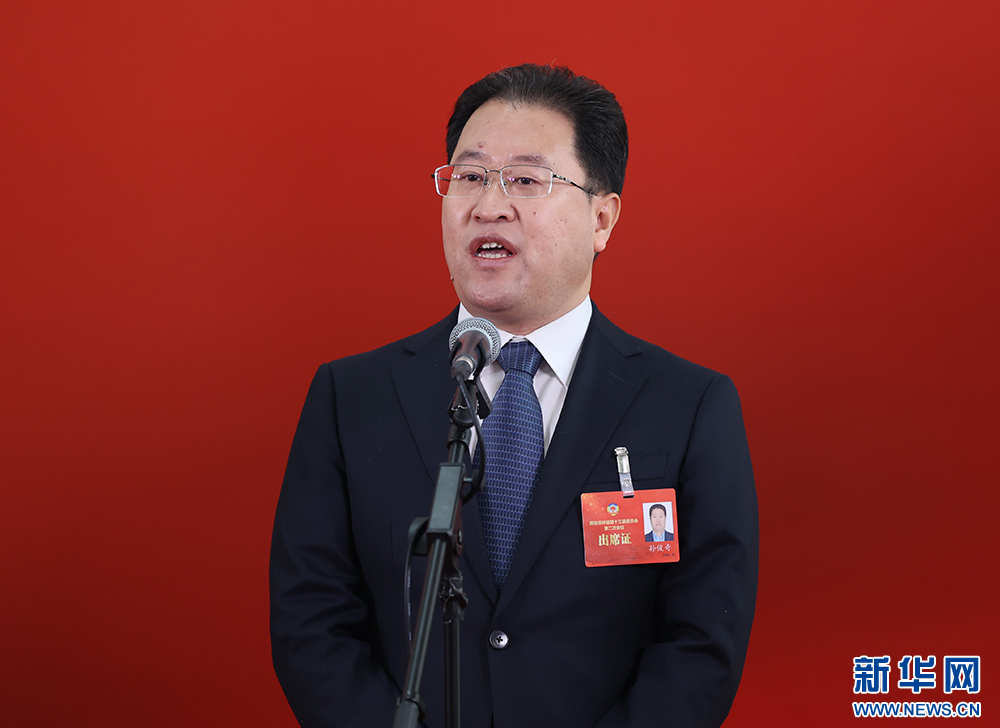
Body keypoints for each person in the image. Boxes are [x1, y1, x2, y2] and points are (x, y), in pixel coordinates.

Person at [270, 64, 758, 728]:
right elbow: (311, 623)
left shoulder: (689, 406)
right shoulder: (351, 398)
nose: (488, 205)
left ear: (602, 218)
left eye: (526, 180)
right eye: (469, 176)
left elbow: (701, 645)